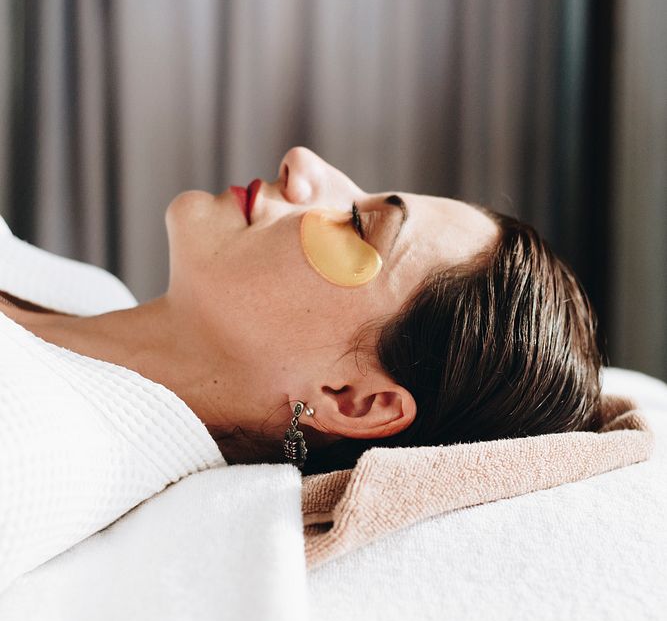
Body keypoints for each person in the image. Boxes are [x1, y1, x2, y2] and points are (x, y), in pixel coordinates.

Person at [0, 146, 605, 479]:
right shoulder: (87, 293)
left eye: (359, 224)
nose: (303, 163)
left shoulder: (35, 452)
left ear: (355, 399)